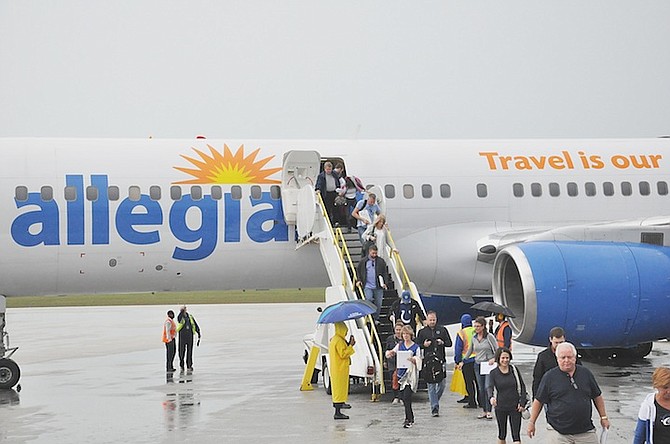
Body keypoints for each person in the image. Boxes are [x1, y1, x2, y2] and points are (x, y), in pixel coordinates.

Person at [527, 342, 610, 442]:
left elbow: (597, 396)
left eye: (569, 357)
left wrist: (603, 417)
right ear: (557, 359)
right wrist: (532, 422)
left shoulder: (586, 374)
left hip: (585, 431)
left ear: (575, 357)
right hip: (558, 432)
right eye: (563, 357)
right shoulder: (549, 377)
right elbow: (539, 401)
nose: (566, 360)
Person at [416, 310, 452, 417]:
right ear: (426, 320)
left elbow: (449, 343)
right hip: (428, 361)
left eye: (434, 320)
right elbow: (417, 345)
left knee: (442, 383)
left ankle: (434, 398)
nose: (432, 322)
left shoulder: (442, 329)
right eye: (430, 320)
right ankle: (434, 408)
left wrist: (442, 342)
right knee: (431, 385)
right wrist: (424, 344)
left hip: (440, 360)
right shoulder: (422, 332)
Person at [385, 325, 421, 428]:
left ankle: (408, 419)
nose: (405, 336)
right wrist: (390, 353)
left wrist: (414, 360)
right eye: (404, 334)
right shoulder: (400, 345)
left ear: (411, 335)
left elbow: (419, 359)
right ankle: (410, 417)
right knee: (404, 397)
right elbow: (391, 352)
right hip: (401, 374)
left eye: (407, 334)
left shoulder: (416, 347)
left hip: (410, 375)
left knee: (407, 396)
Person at [489, 347, 528, 444]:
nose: (505, 360)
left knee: (516, 435)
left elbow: (522, 386)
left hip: (515, 407)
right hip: (501, 406)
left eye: (507, 358)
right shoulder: (493, 373)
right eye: (503, 358)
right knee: (502, 434)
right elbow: (489, 387)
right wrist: (491, 397)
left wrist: (522, 403)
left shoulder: (514, 370)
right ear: (498, 359)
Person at [532, 326, 575, 399]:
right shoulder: (543, 356)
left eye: (561, 342)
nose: (558, 345)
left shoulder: (572, 354)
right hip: (550, 394)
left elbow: (579, 372)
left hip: (568, 393)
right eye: (556, 342)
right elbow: (537, 378)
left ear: (564, 339)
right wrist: (536, 397)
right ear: (550, 340)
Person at [633, 366, 670, 444]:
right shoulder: (648, 406)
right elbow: (639, 436)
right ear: (657, 386)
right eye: (665, 387)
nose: (669, 391)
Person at [473, 315, 498, 419]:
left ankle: (489, 410)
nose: (476, 328)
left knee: (488, 387)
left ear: (483, 326)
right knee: (481, 388)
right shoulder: (474, 338)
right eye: (475, 326)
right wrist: (462, 361)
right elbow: (471, 350)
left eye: (478, 326)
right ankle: (483, 410)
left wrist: (494, 358)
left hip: (488, 364)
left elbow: (497, 349)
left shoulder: (489, 337)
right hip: (478, 364)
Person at [329, 322, 356, 420]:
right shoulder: (338, 340)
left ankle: (339, 406)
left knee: (338, 389)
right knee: (339, 390)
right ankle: (337, 412)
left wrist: (348, 343)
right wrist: (351, 345)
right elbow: (343, 354)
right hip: (339, 369)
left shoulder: (336, 339)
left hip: (338, 368)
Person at [355, 244, 388, 323]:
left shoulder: (381, 261)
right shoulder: (363, 261)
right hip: (367, 285)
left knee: (378, 303)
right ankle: (369, 316)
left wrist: (385, 283)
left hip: (378, 286)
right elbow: (358, 271)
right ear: (369, 252)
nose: (374, 255)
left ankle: (375, 318)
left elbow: (384, 273)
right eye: (373, 253)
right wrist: (359, 280)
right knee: (368, 299)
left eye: (375, 253)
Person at [454, 313, 479, 409]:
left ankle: (472, 402)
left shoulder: (461, 333)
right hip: (477, 359)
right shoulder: (475, 331)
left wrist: (457, 361)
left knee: (469, 383)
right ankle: (481, 401)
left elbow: (458, 349)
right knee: (478, 382)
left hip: (467, 361)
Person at [315, 161, 344, 226]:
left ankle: (336, 222)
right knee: (327, 208)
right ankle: (329, 223)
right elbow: (319, 184)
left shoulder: (334, 174)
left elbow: (337, 182)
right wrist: (318, 189)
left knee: (336, 208)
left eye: (330, 169)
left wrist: (339, 190)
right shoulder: (321, 176)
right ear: (324, 169)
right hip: (326, 194)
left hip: (334, 193)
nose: (329, 171)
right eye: (327, 169)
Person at [385, 321, 405, 404]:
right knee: (393, 379)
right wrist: (385, 361)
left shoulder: (405, 339)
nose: (398, 331)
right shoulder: (390, 339)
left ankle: (401, 396)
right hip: (392, 362)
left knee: (402, 380)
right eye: (397, 329)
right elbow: (386, 350)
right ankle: (395, 396)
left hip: (402, 362)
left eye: (400, 330)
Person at [177, 305, 201, 371]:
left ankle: (189, 365)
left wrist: (198, 333)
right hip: (182, 336)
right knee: (181, 351)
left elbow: (195, 325)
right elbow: (179, 319)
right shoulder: (181, 317)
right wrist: (181, 312)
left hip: (190, 336)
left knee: (190, 351)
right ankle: (182, 365)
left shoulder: (190, 316)